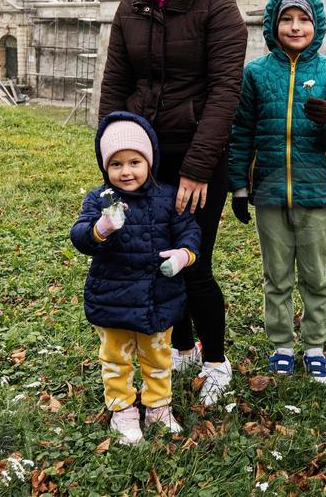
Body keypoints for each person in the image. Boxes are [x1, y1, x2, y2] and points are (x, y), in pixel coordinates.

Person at [98, 0, 248, 406]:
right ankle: (181, 345)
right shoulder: (132, 3)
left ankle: (215, 359)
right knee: (152, 256)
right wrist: (111, 155)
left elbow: (226, 89)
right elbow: (115, 81)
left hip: (198, 154)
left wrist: (199, 168)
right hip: (144, 152)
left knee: (193, 259)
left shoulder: (217, 2)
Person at [227, 0, 326, 382]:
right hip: (268, 193)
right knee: (277, 274)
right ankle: (282, 344)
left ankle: (314, 345)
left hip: (316, 193)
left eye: (304, 19)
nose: (296, 27)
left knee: (316, 275)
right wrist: (238, 186)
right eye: (287, 19)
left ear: (317, 23)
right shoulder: (256, 74)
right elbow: (241, 131)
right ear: (273, 24)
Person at [70, 111, 202, 444]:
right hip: (112, 296)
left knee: (157, 357)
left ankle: (158, 406)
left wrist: (185, 254)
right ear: (105, 167)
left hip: (159, 295)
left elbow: (189, 230)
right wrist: (100, 229)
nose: (126, 171)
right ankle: (122, 409)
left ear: (150, 161)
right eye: (116, 164)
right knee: (116, 358)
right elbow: (80, 235)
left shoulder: (169, 196)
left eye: (134, 162)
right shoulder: (100, 200)